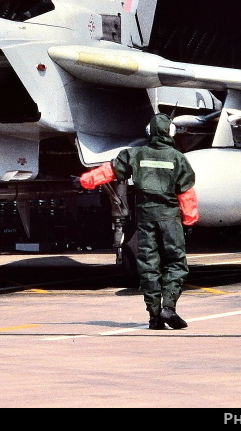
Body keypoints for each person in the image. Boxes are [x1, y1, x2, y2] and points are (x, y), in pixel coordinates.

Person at [80, 112, 198, 330]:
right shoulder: (178, 158)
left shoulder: (135, 154)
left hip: (145, 217)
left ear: (150, 132)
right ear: (171, 132)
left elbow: (110, 171)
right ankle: (169, 307)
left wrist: (84, 181)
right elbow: (187, 193)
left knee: (148, 265)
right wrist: (189, 221)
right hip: (169, 217)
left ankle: (154, 317)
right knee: (175, 262)